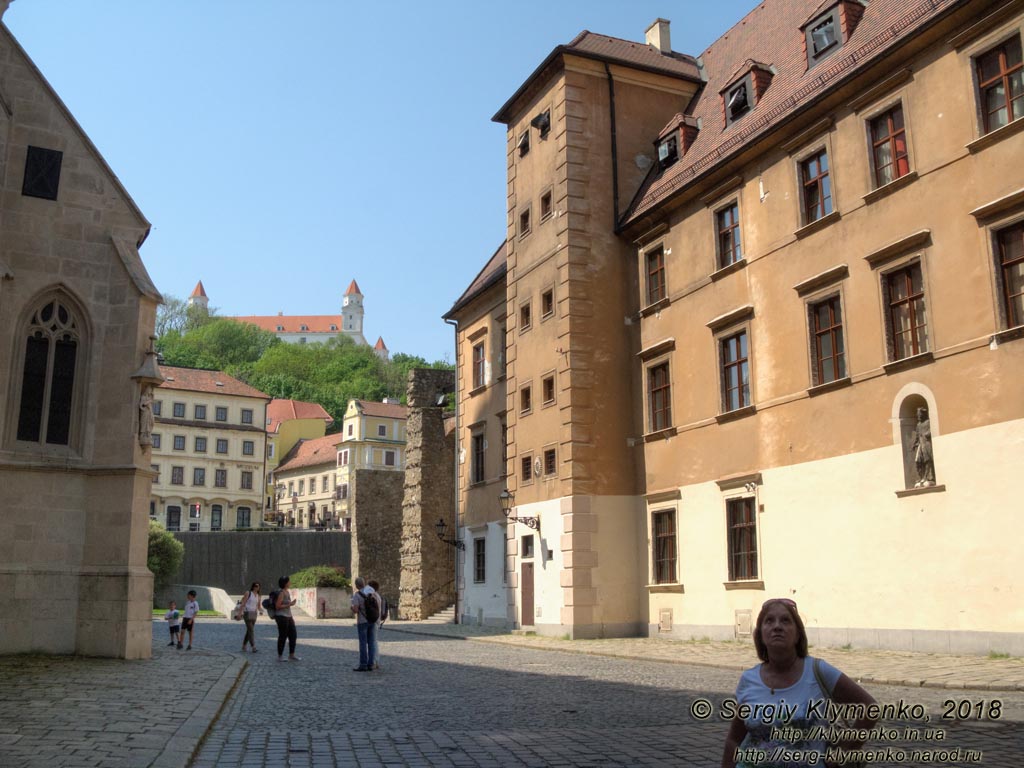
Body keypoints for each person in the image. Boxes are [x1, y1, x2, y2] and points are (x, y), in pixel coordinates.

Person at [722, 598, 877, 768]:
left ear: (797, 634)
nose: (777, 626)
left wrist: (841, 753)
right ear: (760, 634)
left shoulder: (819, 671)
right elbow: (734, 739)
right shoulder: (749, 679)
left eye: (786, 620)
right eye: (769, 621)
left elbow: (870, 708)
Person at [350, 576, 381, 672]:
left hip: (362, 621)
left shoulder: (357, 595)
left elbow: (355, 610)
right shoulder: (373, 593)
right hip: (373, 621)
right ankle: (371, 664)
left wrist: (352, 607)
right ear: (364, 584)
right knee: (371, 643)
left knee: (363, 643)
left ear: (356, 585)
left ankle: (363, 664)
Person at [274, 576, 299, 661]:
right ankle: (280, 656)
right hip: (281, 617)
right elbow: (277, 606)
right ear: (285, 583)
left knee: (293, 635)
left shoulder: (287, 592)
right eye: (289, 581)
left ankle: (291, 655)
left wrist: (290, 604)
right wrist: (290, 604)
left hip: (288, 616)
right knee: (283, 636)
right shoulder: (281, 593)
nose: (290, 582)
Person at [912, 407, 935, 487]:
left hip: (927, 443)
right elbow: (917, 436)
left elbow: (932, 430)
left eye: (919, 414)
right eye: (917, 414)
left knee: (927, 459)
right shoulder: (918, 425)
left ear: (923, 414)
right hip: (920, 444)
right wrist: (915, 444)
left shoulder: (928, 422)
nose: (918, 416)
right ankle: (921, 477)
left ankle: (929, 477)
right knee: (918, 461)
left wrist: (927, 434)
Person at [367, 579, 388, 670]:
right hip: (377, 621)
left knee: (373, 642)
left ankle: (375, 661)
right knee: (373, 641)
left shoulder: (374, 596)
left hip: (374, 621)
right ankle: (375, 661)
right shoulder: (378, 596)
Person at [240, 581, 263, 653]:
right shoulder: (248, 593)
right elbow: (243, 603)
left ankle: (244, 645)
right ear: (253, 586)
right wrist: (240, 612)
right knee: (251, 630)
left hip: (254, 614)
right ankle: (253, 647)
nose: (257, 587)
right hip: (247, 613)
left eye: (258, 586)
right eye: (256, 586)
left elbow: (259, 606)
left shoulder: (259, 596)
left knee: (249, 630)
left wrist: (261, 610)